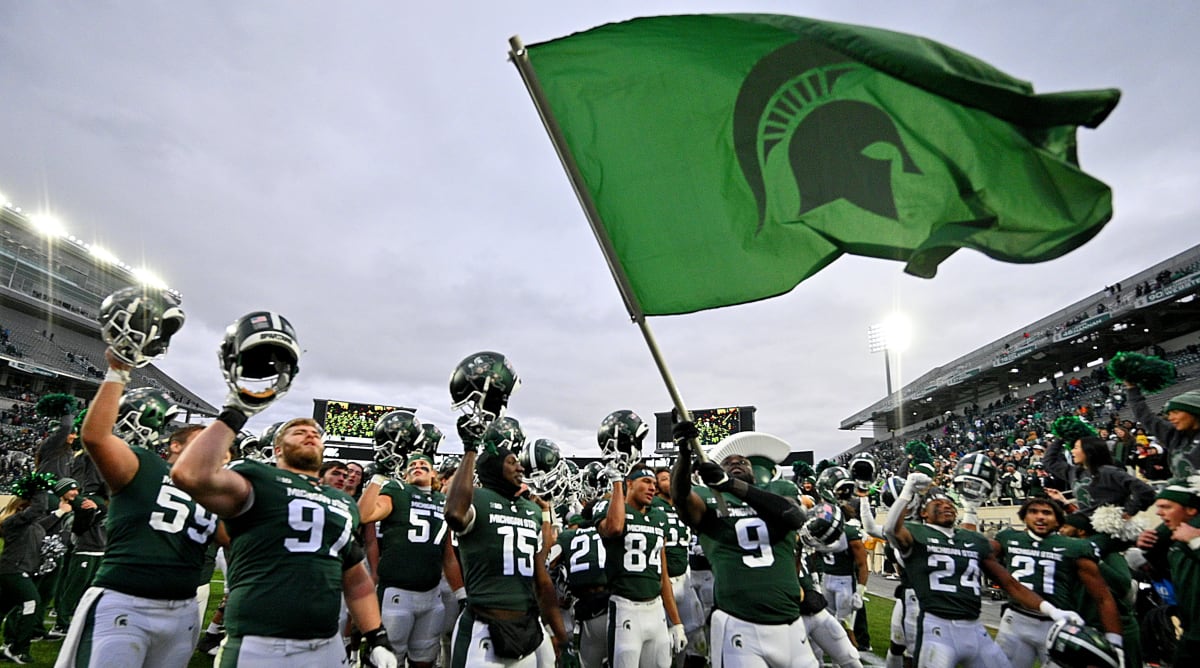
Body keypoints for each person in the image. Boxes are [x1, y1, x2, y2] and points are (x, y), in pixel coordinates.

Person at [171, 311, 396, 667]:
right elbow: (190, 475)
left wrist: (376, 635)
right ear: (277, 448)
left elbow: (355, 578)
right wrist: (237, 408)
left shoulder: (340, 501)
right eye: (298, 431)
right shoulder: (256, 476)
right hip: (260, 643)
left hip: (325, 645)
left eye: (316, 433)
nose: (311, 434)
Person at [55, 349, 219, 668]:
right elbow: (96, 437)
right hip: (127, 598)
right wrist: (118, 370)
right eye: (202, 441)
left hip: (182, 608)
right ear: (174, 445)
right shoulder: (145, 464)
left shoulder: (213, 490)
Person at [883, 470, 1084, 668]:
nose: (946, 507)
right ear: (924, 513)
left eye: (949, 504)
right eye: (938, 504)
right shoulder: (918, 533)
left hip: (974, 627)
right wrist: (907, 491)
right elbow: (891, 529)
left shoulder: (971, 539)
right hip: (937, 626)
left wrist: (1052, 610)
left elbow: (1009, 583)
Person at [670, 426, 819, 668]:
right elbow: (680, 496)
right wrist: (685, 454)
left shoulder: (776, 492)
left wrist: (731, 484)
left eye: (743, 461)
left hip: (792, 624)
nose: (736, 462)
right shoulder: (709, 498)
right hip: (740, 623)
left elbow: (794, 516)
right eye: (729, 462)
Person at [442, 417, 570, 667]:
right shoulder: (478, 499)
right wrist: (470, 449)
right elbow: (455, 514)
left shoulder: (529, 509)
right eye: (512, 462)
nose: (520, 468)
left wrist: (562, 637)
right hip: (483, 629)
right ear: (493, 464)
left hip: (526, 627)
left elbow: (541, 578)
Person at [991, 497, 1123, 668]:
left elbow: (1103, 597)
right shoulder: (1007, 538)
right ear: (1024, 517)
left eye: (1047, 513)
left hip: (1057, 624)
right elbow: (978, 554)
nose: (1040, 517)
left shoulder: (1074, 547)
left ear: (1058, 520)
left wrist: (1115, 641)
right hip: (1016, 620)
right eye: (1033, 512)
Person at [358, 452, 448, 668]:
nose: (417, 465)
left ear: (434, 472)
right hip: (397, 592)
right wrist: (379, 477)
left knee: (425, 658)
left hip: (432, 593)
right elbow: (364, 515)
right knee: (389, 660)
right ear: (405, 474)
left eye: (423, 463)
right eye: (412, 465)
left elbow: (449, 553)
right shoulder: (397, 490)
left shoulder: (443, 500)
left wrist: (461, 593)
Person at [596, 464, 684, 668]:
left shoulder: (658, 517)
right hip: (626, 608)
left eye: (654, 483)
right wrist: (617, 482)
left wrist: (676, 621)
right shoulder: (611, 508)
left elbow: (663, 576)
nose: (652, 487)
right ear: (630, 484)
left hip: (655, 610)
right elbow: (615, 528)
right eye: (646, 482)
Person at [1059, 513, 1141, 668]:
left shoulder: (1109, 554)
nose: (1061, 530)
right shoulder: (1068, 554)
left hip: (1120, 628)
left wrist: (1095, 562)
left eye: (1065, 527)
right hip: (1087, 629)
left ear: (1081, 531)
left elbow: (1123, 585)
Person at [1135, 479, 1200, 663]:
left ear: (1191, 510)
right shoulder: (1177, 540)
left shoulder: (1192, 538)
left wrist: (1195, 543)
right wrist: (1150, 548)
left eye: (1166, 506)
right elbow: (1169, 573)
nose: (1159, 513)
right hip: (1190, 633)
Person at [653, 467, 706, 668]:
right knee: (664, 637)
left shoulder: (683, 505)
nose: (671, 482)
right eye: (666, 479)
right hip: (661, 580)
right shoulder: (652, 504)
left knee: (694, 631)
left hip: (685, 578)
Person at [0, 472, 53, 665]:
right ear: (23, 507)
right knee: (32, 602)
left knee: (3, 609)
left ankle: (9, 646)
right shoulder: (12, 522)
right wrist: (40, 487)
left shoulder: (31, 525)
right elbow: (39, 508)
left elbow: (43, 523)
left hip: (17, 570)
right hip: (13, 570)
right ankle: (18, 649)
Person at [1043, 434, 1155, 522]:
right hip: (1085, 523)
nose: (1072, 451)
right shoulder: (1073, 472)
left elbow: (1145, 490)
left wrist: (1129, 511)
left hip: (1108, 526)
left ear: (1089, 451)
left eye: (1076, 448)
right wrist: (1060, 439)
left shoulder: (1109, 472)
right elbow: (1050, 461)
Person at [1126, 385, 1200, 477]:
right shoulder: (1174, 435)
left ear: (1194, 412)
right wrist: (1132, 388)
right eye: (1169, 414)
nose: (1171, 418)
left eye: (1176, 412)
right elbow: (1146, 417)